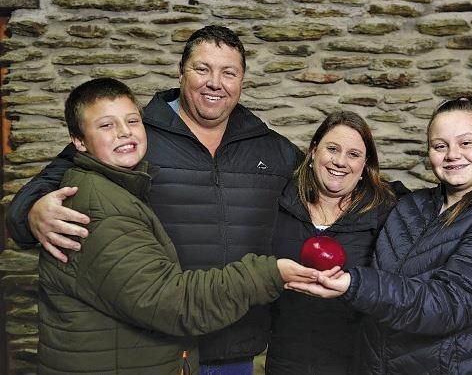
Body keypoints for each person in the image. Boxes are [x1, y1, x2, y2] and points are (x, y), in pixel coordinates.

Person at [7, 26, 302, 374]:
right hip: (158, 342)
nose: (214, 82)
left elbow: (327, 197)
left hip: (235, 343)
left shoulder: (272, 148)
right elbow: (42, 192)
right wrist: (31, 212)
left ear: (242, 80)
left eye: (229, 72)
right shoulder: (135, 134)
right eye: (202, 69)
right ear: (180, 72)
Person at [287, 96, 472, 374]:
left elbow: (451, 303)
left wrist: (353, 284)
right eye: (440, 146)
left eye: (466, 143)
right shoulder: (411, 206)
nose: (452, 154)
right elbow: (357, 194)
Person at [266, 111, 408, 374]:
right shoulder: (281, 203)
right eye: (333, 149)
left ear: (365, 165)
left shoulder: (387, 213)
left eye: (354, 154)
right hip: (285, 360)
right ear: (313, 152)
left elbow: (399, 289)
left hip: (355, 363)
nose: (340, 162)